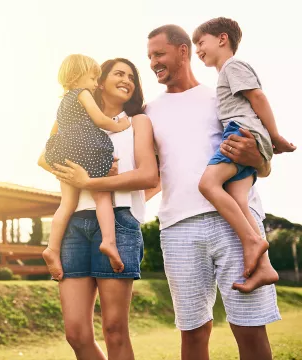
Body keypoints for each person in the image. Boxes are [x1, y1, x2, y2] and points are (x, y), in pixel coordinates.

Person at [145, 24, 281, 360]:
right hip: (178, 229)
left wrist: (262, 162)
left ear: (182, 52)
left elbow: (259, 156)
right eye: (149, 56)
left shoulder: (221, 94)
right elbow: (151, 177)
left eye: (159, 54)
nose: (153, 62)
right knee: (192, 332)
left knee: (250, 327)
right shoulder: (148, 112)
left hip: (234, 223)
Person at [39, 58, 158, 360]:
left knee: (115, 331)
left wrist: (91, 180)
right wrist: (72, 173)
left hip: (117, 222)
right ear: (99, 80)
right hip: (74, 225)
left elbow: (149, 176)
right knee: (76, 334)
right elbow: (44, 157)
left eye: (132, 76)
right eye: (119, 73)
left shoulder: (138, 122)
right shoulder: (75, 113)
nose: (127, 80)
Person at [191, 17, 295, 291]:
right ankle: (265, 268)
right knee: (238, 197)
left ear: (222, 39)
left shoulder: (232, 66)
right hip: (247, 134)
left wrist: (275, 137)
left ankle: (252, 241)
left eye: (201, 42)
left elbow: (258, 98)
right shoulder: (225, 73)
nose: (197, 50)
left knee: (207, 184)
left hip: (241, 132)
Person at [42, 54, 131, 281]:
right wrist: (120, 125)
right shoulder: (82, 94)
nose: (94, 84)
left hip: (64, 153)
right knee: (102, 196)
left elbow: (53, 136)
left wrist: (60, 162)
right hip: (88, 149)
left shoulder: (62, 104)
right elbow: (100, 120)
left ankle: (52, 249)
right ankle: (109, 242)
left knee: (66, 204)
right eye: (93, 78)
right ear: (78, 76)